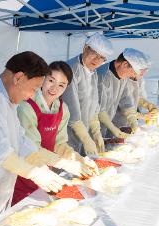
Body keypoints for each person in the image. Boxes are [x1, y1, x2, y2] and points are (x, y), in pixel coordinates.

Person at [0, 51, 91, 223]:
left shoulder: (8, 98)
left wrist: (59, 162)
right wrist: (36, 173)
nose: (32, 95)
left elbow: (22, 141)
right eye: (33, 89)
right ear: (18, 78)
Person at [13, 61, 98, 205]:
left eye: (61, 85)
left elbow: (59, 144)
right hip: (24, 172)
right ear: (43, 79)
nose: (54, 88)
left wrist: (78, 159)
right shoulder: (26, 106)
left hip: (47, 172)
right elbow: (31, 149)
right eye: (51, 81)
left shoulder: (62, 108)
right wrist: (65, 164)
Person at [63, 33, 113, 155]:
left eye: (102, 58)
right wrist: (86, 139)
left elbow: (93, 106)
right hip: (64, 137)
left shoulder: (93, 73)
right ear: (85, 48)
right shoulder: (70, 69)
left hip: (80, 136)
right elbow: (72, 112)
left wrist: (96, 133)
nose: (97, 60)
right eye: (95, 54)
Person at [97, 48, 146, 138]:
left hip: (104, 128)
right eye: (134, 72)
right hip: (90, 128)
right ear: (125, 64)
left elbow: (126, 99)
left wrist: (133, 120)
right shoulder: (102, 77)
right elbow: (98, 110)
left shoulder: (122, 77)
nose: (134, 76)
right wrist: (113, 128)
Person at [113, 52, 159, 129]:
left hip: (130, 121)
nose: (140, 75)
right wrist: (142, 116)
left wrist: (147, 104)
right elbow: (122, 103)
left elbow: (136, 96)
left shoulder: (139, 78)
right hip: (116, 120)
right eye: (139, 71)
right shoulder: (121, 77)